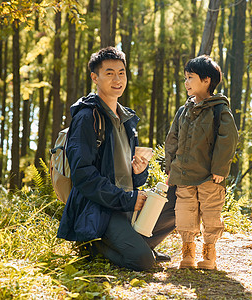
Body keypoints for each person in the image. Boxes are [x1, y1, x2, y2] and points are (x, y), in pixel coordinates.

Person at [57, 47, 175, 271]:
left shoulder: (127, 118)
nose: (117, 79)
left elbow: (127, 176)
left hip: (124, 205)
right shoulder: (86, 118)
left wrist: (139, 173)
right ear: (95, 77)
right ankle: (93, 245)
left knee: (176, 204)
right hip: (100, 208)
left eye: (121, 72)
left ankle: (132, 243)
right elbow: (83, 176)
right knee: (143, 261)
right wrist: (127, 199)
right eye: (109, 73)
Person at [165, 55, 238, 270]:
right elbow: (173, 139)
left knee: (211, 212)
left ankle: (209, 252)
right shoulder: (183, 111)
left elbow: (228, 140)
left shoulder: (219, 110)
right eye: (185, 78)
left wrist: (219, 169)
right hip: (184, 174)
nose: (186, 82)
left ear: (206, 81)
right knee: (185, 212)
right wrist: (170, 166)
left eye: (190, 77)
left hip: (209, 176)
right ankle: (187, 250)